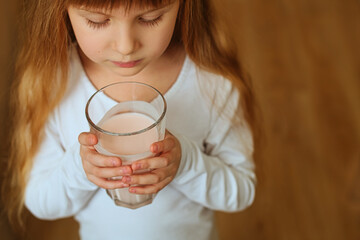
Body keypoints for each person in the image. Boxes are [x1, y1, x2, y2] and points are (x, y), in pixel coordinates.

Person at [2, 0, 257, 239]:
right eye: (98, 21)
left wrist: (185, 163)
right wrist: (81, 167)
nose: (126, 46)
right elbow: (40, 201)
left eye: (150, 18)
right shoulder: (54, 84)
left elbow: (242, 191)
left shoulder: (212, 84)